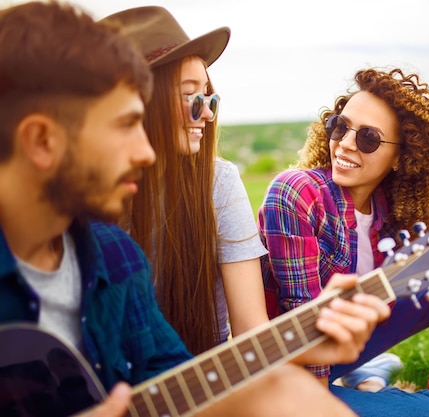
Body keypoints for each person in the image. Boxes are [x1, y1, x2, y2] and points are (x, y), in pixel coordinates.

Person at [0, 2, 391, 417]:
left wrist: (299, 340)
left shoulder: (115, 257)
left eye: (210, 99)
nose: (144, 150)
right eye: (124, 124)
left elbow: (180, 382)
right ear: (41, 141)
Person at [258, 66, 429, 415]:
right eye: (340, 126)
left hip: (347, 339)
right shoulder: (297, 193)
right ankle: (371, 379)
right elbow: (305, 330)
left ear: (403, 157)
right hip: (288, 365)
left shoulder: (389, 205)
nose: (344, 143)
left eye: (368, 138)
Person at [101, 6, 269, 355]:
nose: (207, 113)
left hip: (199, 384)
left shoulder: (217, 182)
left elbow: (252, 329)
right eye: (192, 97)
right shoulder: (83, 202)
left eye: (209, 97)